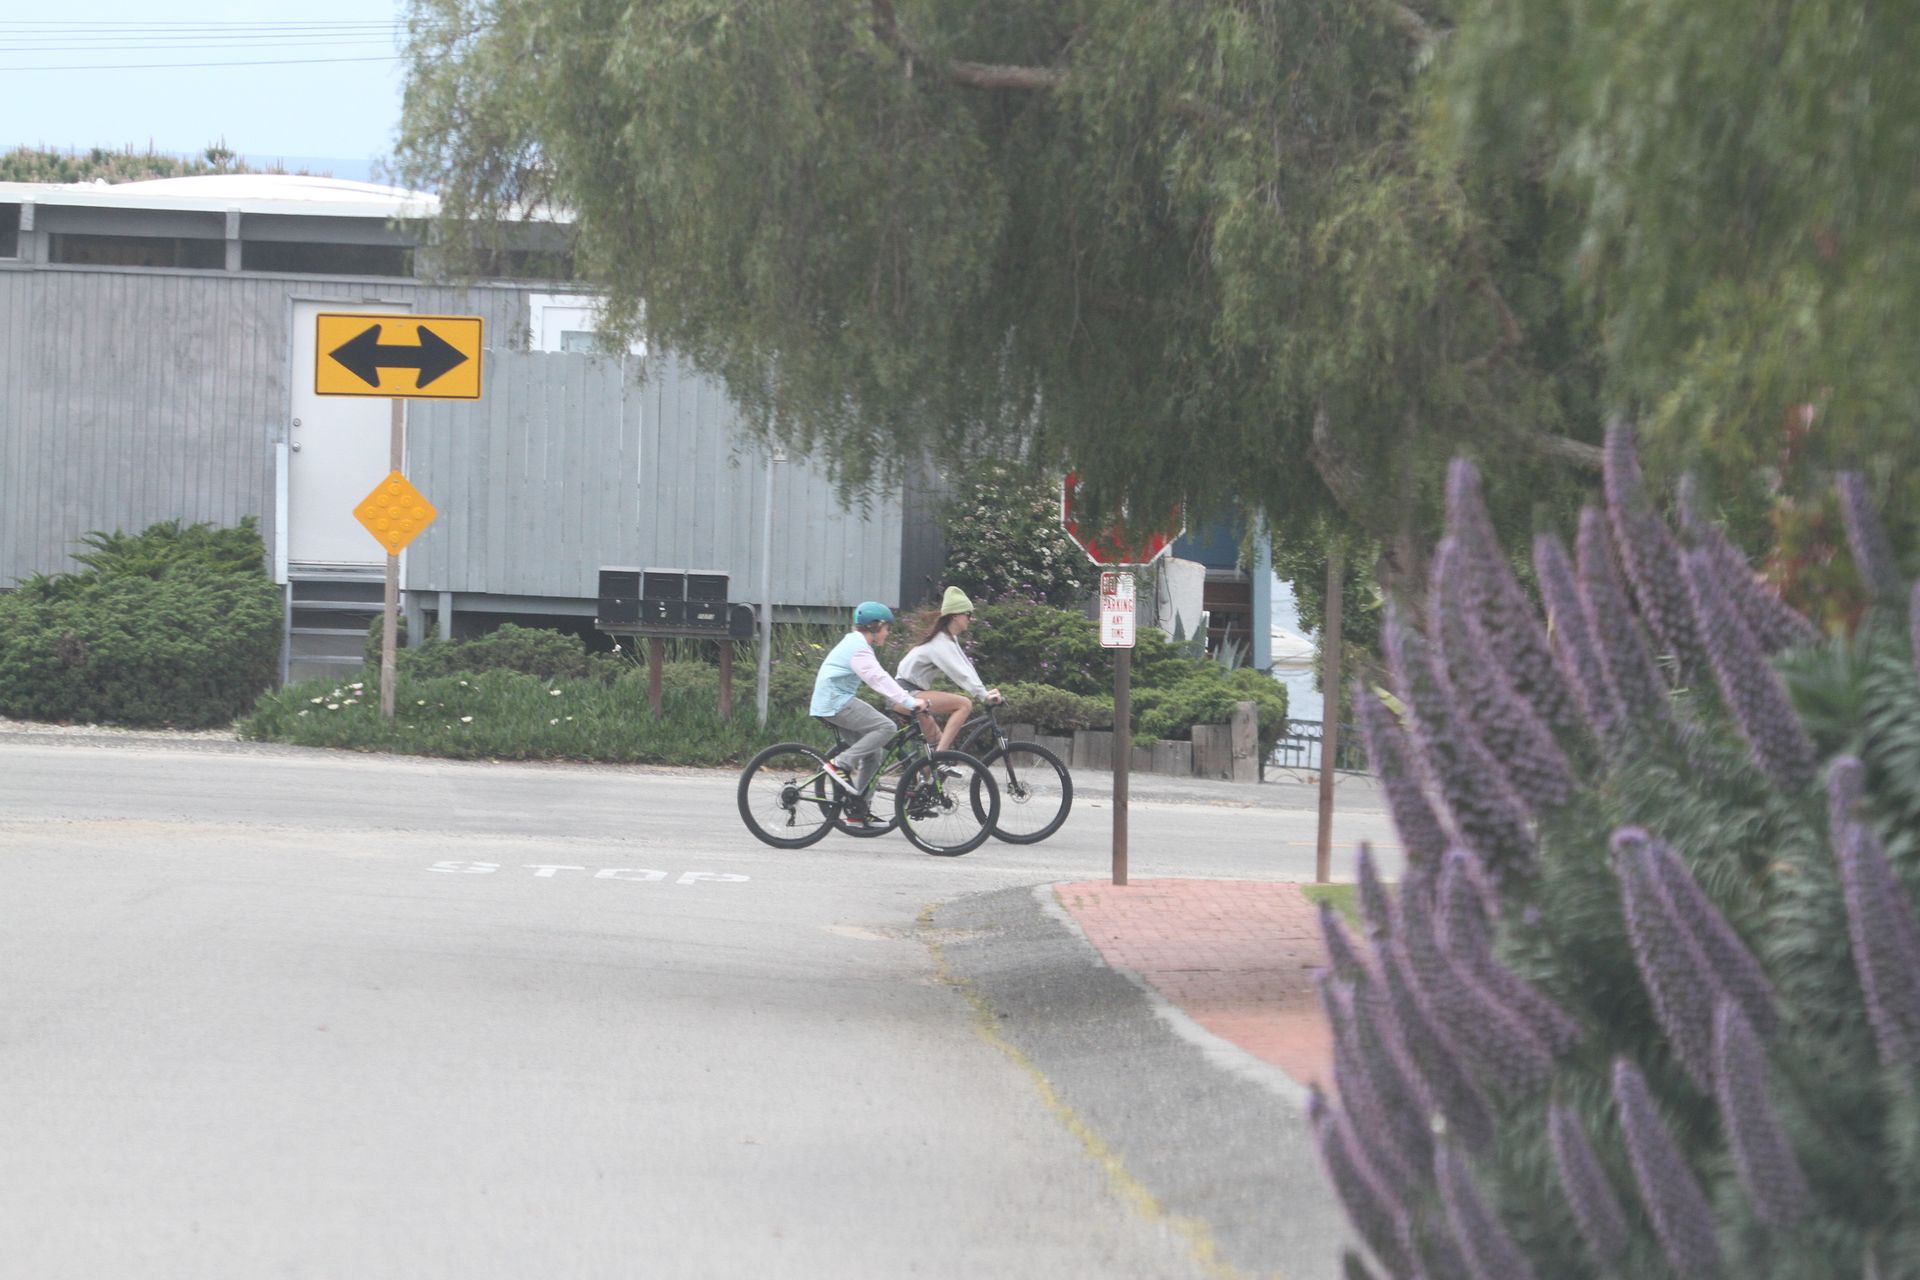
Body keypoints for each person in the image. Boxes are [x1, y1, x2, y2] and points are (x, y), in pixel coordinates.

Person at [811, 602, 927, 818]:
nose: (888, 633)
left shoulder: (854, 643)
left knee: (873, 754)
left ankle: (859, 811)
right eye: (886, 628)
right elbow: (878, 678)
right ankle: (841, 764)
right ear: (875, 626)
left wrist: (903, 699)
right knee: (887, 727)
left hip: (831, 702)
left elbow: (878, 678)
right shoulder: (859, 648)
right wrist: (909, 701)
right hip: (836, 702)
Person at [895, 586, 1002, 753]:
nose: (970, 619)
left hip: (911, 692)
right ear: (955, 615)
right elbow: (959, 673)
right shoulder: (940, 643)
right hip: (906, 694)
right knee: (964, 704)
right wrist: (983, 695)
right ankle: (941, 756)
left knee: (936, 744)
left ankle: (930, 766)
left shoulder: (949, 639)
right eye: (968, 614)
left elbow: (965, 666)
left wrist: (984, 692)